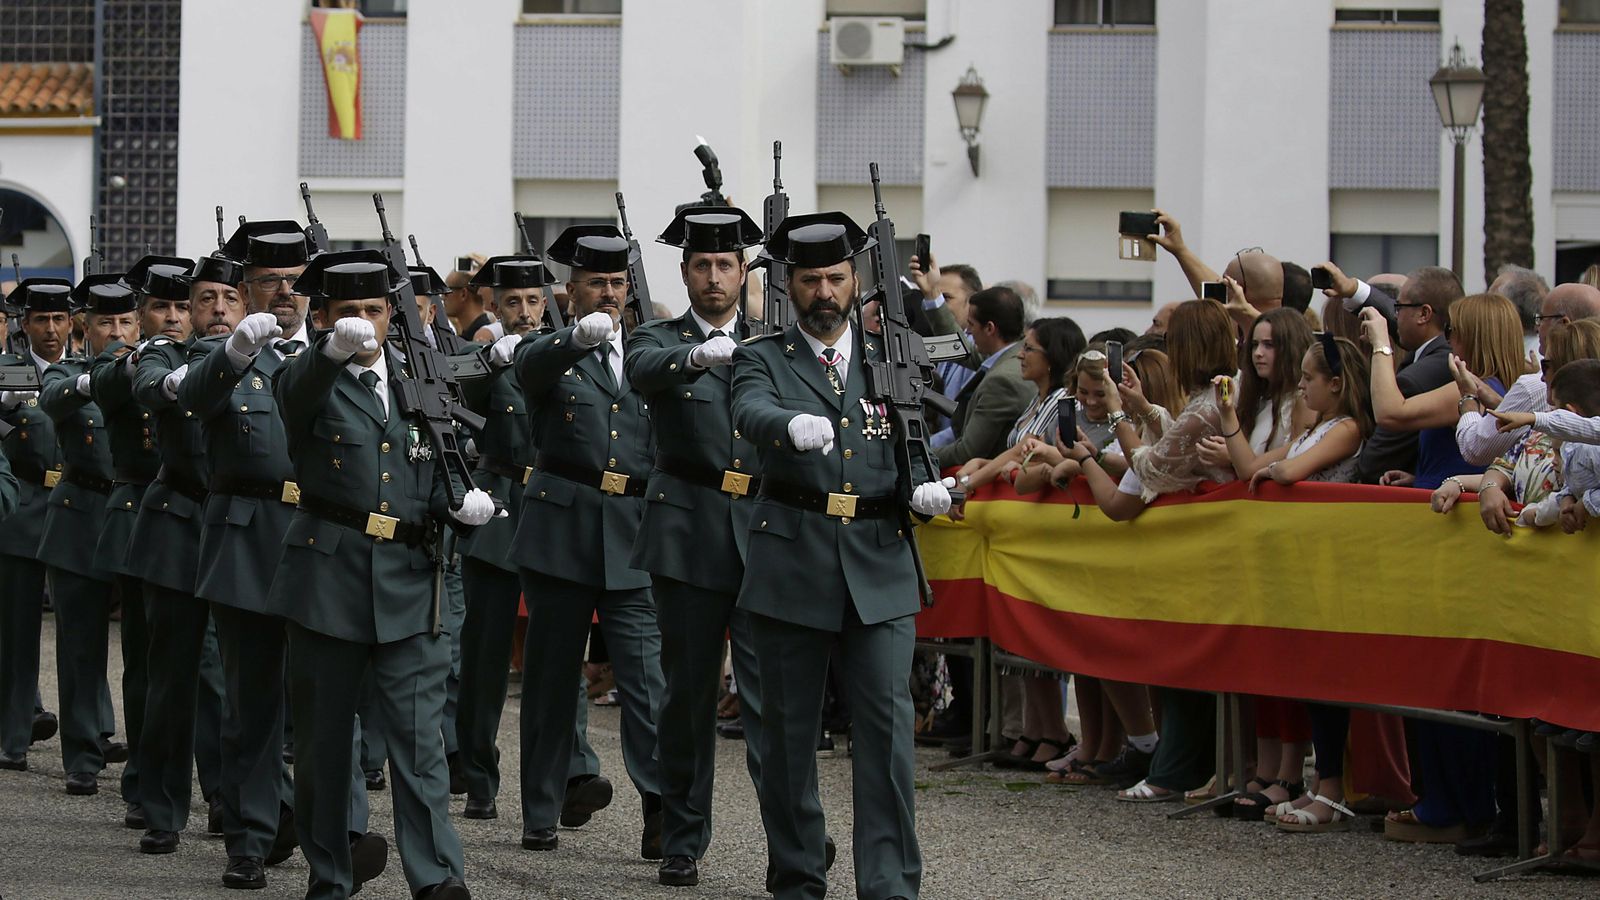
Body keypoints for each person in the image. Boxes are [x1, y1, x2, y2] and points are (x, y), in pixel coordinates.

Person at [731, 211, 952, 900]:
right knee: (791, 737)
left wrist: (928, 486)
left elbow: (924, 434)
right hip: (793, 557)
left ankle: (889, 883)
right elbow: (749, 410)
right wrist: (786, 425)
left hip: (880, 559)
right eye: (809, 280)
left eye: (834, 277)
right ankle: (798, 873)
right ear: (787, 285)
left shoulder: (895, 356)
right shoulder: (761, 357)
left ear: (855, 280)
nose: (823, 292)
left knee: (886, 732)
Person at [508, 225, 665, 859]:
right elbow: (530, 370)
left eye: (616, 283)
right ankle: (542, 807)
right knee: (550, 679)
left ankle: (662, 808)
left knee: (647, 679)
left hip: (632, 529)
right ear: (569, 292)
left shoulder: (649, 351)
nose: (607, 293)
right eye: (595, 283)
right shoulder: (551, 349)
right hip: (562, 527)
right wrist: (574, 339)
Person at [180, 221, 328, 889]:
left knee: (330, 700)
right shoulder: (226, 355)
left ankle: (337, 830)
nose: (284, 293)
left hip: (323, 539)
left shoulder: (336, 351)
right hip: (246, 536)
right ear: (244, 291)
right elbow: (194, 398)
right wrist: (235, 352)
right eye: (268, 282)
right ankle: (249, 837)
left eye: (295, 282)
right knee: (253, 702)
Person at [626, 206, 771, 887]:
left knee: (775, 696)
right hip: (689, 528)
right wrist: (695, 355)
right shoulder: (660, 338)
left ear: (745, 273)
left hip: (766, 534)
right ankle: (682, 836)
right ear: (684, 272)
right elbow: (642, 370)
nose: (715, 278)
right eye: (702, 266)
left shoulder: (775, 343)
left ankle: (795, 838)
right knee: (687, 696)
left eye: (726, 265)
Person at [453, 255, 604, 825]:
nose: (523, 312)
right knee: (486, 655)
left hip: (553, 512)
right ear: (493, 304)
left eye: (533, 301)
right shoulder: (480, 356)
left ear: (549, 302)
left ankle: (573, 773)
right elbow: (455, 394)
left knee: (559, 652)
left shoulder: (568, 353)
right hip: (498, 508)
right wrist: (492, 359)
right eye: (511, 302)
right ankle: (477, 772)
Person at [1069, 300, 1238, 802]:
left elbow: (1151, 464)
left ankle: (1181, 765)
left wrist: (1118, 417)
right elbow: (1171, 442)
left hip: (1207, 555)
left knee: (1185, 669)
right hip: (1198, 553)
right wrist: (1141, 408)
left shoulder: (1212, 402)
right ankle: (1177, 761)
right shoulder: (1210, 397)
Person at [125, 251, 240, 854]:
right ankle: (163, 803)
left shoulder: (275, 361)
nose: (217, 310)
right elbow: (156, 390)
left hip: (242, 527)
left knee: (228, 675)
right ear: (190, 311)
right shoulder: (163, 356)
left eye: (228, 298)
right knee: (173, 675)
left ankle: (226, 795)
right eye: (205, 301)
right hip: (181, 522)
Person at [85, 255, 192, 845]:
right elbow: (109, 381)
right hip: (144, 517)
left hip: (209, 521)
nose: (174, 318)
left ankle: (223, 793)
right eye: (161, 307)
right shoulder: (132, 363)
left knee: (211, 670)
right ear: (141, 313)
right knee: (150, 666)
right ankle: (146, 783)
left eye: (184, 306)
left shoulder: (215, 357)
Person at [38, 273, 140, 800]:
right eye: (106, 323)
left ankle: (145, 758)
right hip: (81, 516)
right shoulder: (69, 373)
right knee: (80, 647)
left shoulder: (155, 373)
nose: (117, 332)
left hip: (140, 518)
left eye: (126, 321)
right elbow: (52, 397)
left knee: (144, 651)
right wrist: (92, 380)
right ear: (87, 328)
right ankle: (81, 753)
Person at [0, 275, 73, 771]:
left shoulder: (87, 369)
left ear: (73, 323)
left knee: (79, 630)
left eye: (59, 319)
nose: (51, 329)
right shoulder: (10, 370)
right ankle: (13, 734)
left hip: (74, 508)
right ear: (24, 325)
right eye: (41, 319)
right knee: (19, 630)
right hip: (25, 508)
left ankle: (92, 733)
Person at [1320, 262, 1461, 484]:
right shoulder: (1431, 344)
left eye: (1399, 308)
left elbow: (1373, 465)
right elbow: (1395, 314)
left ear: (1424, 314)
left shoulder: (1435, 366)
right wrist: (1352, 288)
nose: (1394, 317)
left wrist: (1381, 346)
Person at [1455, 282, 1600, 468]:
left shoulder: (1531, 387)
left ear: (1564, 324)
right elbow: (1514, 463)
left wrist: (1468, 397)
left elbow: (1475, 449)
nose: (1537, 327)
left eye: (1541, 319)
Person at [926, 285, 1035, 466]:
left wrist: (915, 456)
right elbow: (962, 349)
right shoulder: (1012, 357)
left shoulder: (1002, 380)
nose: (967, 332)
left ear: (990, 328)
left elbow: (967, 452)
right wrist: (931, 294)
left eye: (971, 325)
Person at [1487, 264, 1549, 356]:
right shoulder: (1544, 351)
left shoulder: (1532, 362)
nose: (1483, 308)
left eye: (1490, 300)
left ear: (1509, 312)